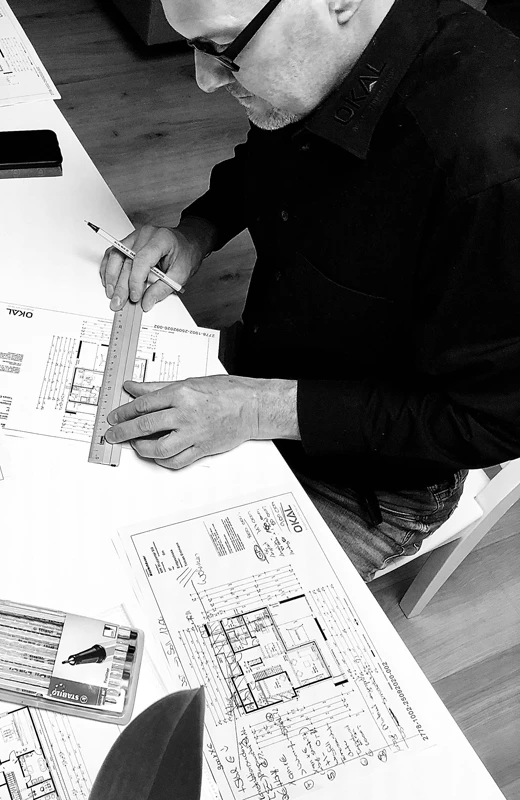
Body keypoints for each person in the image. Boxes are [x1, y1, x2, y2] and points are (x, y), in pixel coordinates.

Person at [99, 0, 520, 580]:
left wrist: (255, 408)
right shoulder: (316, 62)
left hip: (371, 476)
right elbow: (269, 158)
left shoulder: (491, 172)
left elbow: (494, 419)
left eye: (224, 48)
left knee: (154, 591)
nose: (205, 80)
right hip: (263, 364)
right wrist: (198, 231)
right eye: (194, 46)